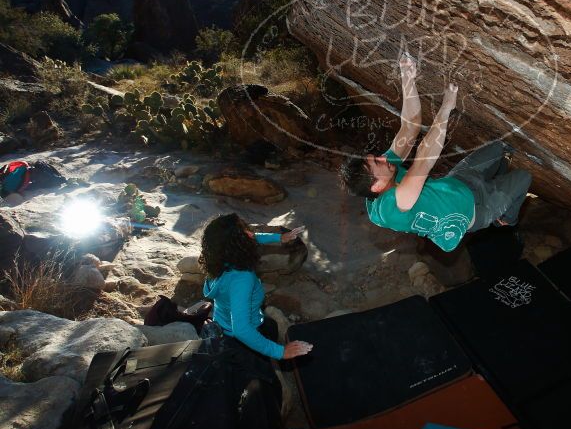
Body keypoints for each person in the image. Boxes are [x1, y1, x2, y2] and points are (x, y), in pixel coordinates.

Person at [340, 54, 533, 252]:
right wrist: (446, 107)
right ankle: (506, 219)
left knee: (499, 148)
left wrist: (407, 78)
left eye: (376, 158)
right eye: (377, 163)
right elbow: (425, 158)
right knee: (524, 178)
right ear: (377, 185)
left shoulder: (382, 176)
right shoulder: (393, 207)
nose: (382, 157)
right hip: (473, 211)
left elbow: (410, 127)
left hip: (457, 184)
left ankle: (498, 181)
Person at [199, 214, 312, 360]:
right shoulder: (242, 279)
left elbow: (249, 238)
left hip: (223, 321)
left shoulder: (217, 260)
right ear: (236, 245)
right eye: (243, 232)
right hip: (240, 339)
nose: (251, 233)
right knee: (267, 376)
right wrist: (281, 352)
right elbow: (241, 330)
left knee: (271, 326)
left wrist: (280, 238)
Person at [0, 159, 68, 198]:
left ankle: (58, 179)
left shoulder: (4, 187)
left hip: (21, 186)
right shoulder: (6, 173)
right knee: (39, 163)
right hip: (26, 177)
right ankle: (59, 179)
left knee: (40, 182)